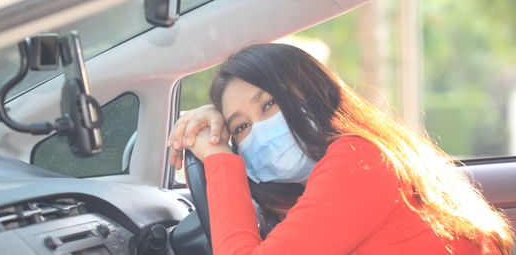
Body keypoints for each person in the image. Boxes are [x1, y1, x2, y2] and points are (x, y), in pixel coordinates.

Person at [168, 43, 513, 255]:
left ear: (313, 94)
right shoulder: (340, 170)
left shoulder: (356, 160)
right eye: (240, 127)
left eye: (269, 103)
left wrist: (217, 157)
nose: (260, 129)